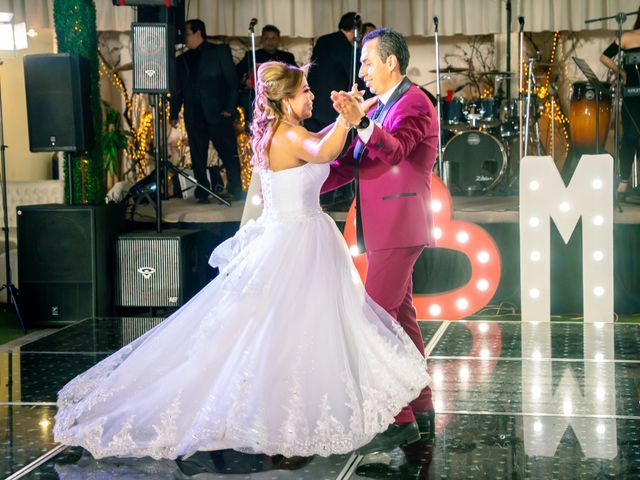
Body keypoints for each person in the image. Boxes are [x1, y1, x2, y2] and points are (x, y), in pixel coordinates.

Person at [52, 61, 430, 460]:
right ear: (285, 100)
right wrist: (346, 118)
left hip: (298, 237)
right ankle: (286, 414)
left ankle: (296, 409)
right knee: (288, 331)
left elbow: (317, 144)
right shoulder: (287, 135)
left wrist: (353, 115)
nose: (312, 96)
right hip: (296, 242)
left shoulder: (284, 132)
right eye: (305, 92)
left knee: (296, 330)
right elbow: (326, 150)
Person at [325, 27, 438, 454]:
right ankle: (422, 406)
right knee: (402, 322)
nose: (362, 71)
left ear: (392, 62)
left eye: (368, 61)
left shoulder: (415, 103)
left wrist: (362, 121)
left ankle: (398, 421)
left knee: (372, 321)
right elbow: (354, 162)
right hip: (383, 228)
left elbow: (393, 150)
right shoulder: (381, 105)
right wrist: (304, 177)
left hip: (400, 225)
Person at [170, 19, 242, 203]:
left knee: (227, 151)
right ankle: (202, 191)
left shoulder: (219, 51)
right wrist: (174, 113)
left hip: (218, 112)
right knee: (197, 154)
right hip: (194, 113)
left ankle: (235, 188)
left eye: (186, 34)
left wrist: (229, 108)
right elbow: (178, 89)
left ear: (198, 33)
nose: (184, 38)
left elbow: (232, 82)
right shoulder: (182, 59)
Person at [600, 8, 640, 202]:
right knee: (630, 137)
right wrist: (621, 72)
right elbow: (605, 57)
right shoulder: (627, 37)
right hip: (633, 95)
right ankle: (623, 183)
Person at [306, 12, 366, 132]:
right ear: (357, 30)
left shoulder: (322, 40)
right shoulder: (349, 49)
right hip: (332, 110)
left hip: (313, 105)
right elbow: (354, 78)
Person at [236, 24, 297, 126]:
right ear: (261, 40)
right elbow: (236, 74)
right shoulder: (252, 55)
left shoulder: (287, 57)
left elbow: (295, 76)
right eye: (267, 38)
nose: (270, 41)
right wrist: (245, 81)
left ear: (278, 40)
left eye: (273, 38)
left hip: (279, 95)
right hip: (256, 95)